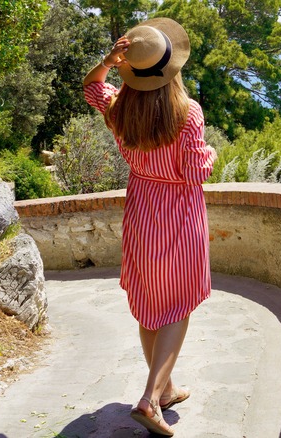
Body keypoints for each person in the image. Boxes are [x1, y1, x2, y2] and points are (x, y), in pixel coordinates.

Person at [82, 17, 216, 437]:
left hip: (141, 210)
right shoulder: (187, 112)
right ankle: (148, 399)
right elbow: (196, 171)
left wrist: (106, 62)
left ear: (131, 70)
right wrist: (209, 150)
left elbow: (91, 88)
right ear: (170, 67)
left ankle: (167, 388)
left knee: (149, 301)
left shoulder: (120, 107)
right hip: (179, 214)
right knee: (178, 304)